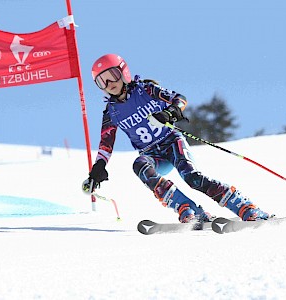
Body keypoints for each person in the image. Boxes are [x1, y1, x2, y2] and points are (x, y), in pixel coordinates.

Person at [83, 53, 271, 224]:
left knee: (192, 178)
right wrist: (98, 168)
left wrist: (170, 113)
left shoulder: (145, 89)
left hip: (172, 143)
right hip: (152, 154)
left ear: (124, 72)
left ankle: (246, 207)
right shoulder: (111, 112)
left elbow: (179, 99)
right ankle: (188, 209)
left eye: (112, 76)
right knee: (139, 165)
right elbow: (106, 144)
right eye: (102, 82)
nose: (109, 84)